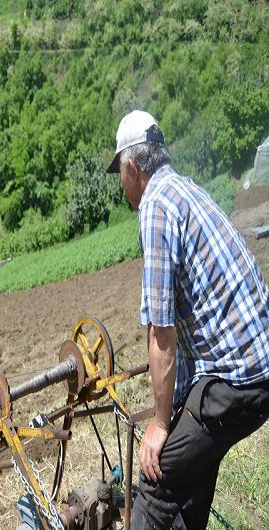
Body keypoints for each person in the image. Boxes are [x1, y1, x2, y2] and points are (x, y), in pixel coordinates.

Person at [107, 110, 269, 530]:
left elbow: (161, 333)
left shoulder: (155, 207)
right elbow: (188, 335)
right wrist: (177, 411)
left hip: (237, 383)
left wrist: (161, 426)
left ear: (131, 168)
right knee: (192, 474)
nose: (121, 184)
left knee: (155, 485)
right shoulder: (185, 190)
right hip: (256, 367)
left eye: (119, 173)